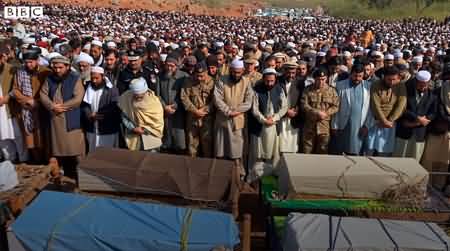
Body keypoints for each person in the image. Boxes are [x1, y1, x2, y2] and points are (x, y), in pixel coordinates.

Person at [39, 56, 85, 181]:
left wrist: (62, 107)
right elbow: (43, 94)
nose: (58, 70)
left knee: (75, 150)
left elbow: (78, 98)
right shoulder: (50, 78)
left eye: (61, 67)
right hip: (55, 120)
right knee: (57, 150)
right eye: (56, 67)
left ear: (67, 67)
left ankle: (81, 176)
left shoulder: (75, 78)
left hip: (70, 118)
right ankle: (60, 174)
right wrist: (52, 106)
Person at [214, 59, 253, 178]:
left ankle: (238, 174)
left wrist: (236, 111)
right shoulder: (221, 80)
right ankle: (221, 174)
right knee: (221, 149)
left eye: (239, 72)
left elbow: (249, 101)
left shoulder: (246, 82)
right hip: (223, 120)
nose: (236, 75)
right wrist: (228, 111)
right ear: (230, 70)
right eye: (234, 72)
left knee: (237, 151)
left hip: (238, 120)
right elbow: (217, 98)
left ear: (242, 71)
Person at [11, 49, 51, 164]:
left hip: (42, 109)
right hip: (26, 109)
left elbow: (49, 92)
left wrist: (37, 102)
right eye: (26, 62)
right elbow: (15, 89)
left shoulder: (45, 72)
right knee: (30, 138)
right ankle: (35, 160)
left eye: (31, 62)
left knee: (43, 137)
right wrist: (27, 100)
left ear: (37, 60)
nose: (28, 65)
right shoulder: (20, 72)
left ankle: (46, 161)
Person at [248, 68, 287, 182]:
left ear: (275, 79)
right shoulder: (257, 89)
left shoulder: (279, 89)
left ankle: (272, 175)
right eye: (267, 81)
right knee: (257, 153)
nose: (269, 83)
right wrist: (264, 120)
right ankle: (254, 177)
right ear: (263, 79)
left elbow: (284, 107)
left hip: (274, 125)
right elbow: (254, 109)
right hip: (260, 126)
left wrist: (274, 118)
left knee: (273, 154)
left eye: (272, 81)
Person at [393, 70, 437, 160]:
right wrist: (417, 118)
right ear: (416, 82)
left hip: (419, 134)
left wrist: (420, 122)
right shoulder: (405, 91)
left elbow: (433, 113)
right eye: (421, 85)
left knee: (415, 161)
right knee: (398, 159)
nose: (423, 87)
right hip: (403, 133)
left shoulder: (432, 96)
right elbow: (402, 109)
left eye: (425, 85)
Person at [331, 64, 372, 155]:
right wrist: (334, 125)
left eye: (360, 76)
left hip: (360, 126)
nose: (357, 78)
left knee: (356, 152)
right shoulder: (340, 85)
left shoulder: (368, 86)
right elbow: (335, 107)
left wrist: (367, 125)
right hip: (343, 125)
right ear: (350, 74)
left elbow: (371, 109)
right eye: (355, 76)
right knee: (339, 151)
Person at [367, 66, 407, 156]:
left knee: (385, 151)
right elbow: (375, 105)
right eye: (389, 79)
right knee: (370, 149)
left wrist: (390, 120)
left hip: (391, 124)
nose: (392, 82)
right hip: (375, 122)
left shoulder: (401, 86)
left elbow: (401, 105)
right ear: (383, 77)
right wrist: (383, 121)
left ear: (398, 78)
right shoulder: (376, 85)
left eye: (394, 79)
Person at [421, 65, 450, 190]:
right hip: (436, 131)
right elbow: (437, 111)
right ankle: (426, 185)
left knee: (444, 163)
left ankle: (440, 186)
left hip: (448, 135)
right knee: (429, 160)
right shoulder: (439, 91)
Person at [81, 66, 121, 153]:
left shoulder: (112, 89)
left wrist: (100, 114)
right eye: (92, 78)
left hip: (106, 128)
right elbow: (84, 105)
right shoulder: (87, 87)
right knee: (92, 151)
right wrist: (89, 115)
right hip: (91, 127)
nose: (94, 80)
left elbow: (114, 106)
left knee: (107, 153)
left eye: (97, 78)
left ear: (103, 77)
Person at [118, 77, 164, 151]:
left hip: (150, 136)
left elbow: (158, 122)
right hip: (133, 135)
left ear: (145, 91)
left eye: (140, 96)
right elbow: (124, 116)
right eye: (135, 95)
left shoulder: (154, 102)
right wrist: (133, 128)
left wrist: (145, 130)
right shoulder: (127, 97)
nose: (137, 97)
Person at [301, 67, 339, 154]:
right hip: (310, 125)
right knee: (307, 149)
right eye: (318, 79)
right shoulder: (307, 90)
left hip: (324, 126)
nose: (320, 82)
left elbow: (336, 106)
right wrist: (315, 112)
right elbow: (304, 104)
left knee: (323, 149)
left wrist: (326, 113)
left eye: (323, 79)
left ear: (326, 78)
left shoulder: (332, 91)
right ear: (314, 79)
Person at [180, 63, 215, 158]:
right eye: (197, 76)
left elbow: (214, 100)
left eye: (202, 76)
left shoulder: (212, 82)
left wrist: (205, 110)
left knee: (207, 142)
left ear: (206, 72)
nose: (199, 78)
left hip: (206, 118)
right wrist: (195, 111)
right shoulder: (188, 82)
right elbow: (184, 98)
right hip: (192, 117)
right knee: (192, 143)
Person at [157, 56, 189, 154]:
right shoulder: (160, 76)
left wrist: (175, 106)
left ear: (177, 66)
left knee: (179, 137)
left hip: (178, 112)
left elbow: (184, 95)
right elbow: (157, 94)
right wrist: (164, 106)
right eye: (168, 65)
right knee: (166, 136)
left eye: (172, 66)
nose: (169, 68)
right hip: (164, 112)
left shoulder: (184, 76)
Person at [0, 42, 24, 162]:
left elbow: (18, 87)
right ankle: (10, 160)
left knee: (16, 135)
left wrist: (8, 97)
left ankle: (24, 159)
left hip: (10, 108)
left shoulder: (12, 70)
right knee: (2, 137)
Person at [278, 61, 305, 154]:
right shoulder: (277, 81)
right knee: (280, 144)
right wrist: (286, 111)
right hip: (281, 117)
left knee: (292, 144)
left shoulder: (300, 83)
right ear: (284, 71)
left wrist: (296, 110)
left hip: (294, 117)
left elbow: (302, 99)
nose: (291, 75)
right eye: (288, 72)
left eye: (293, 73)